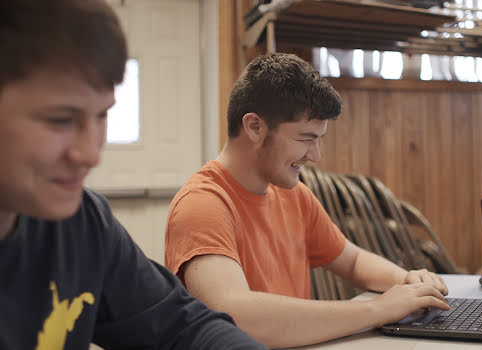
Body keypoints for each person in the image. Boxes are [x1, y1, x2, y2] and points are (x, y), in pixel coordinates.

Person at [0, 1, 269, 349]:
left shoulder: (83, 223)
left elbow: (182, 327)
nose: (90, 155)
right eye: (60, 120)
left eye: (101, 117)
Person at [165, 53, 450, 348]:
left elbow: (352, 261)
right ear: (254, 127)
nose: (315, 156)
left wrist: (408, 283)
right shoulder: (202, 204)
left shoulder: (294, 194)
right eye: (305, 139)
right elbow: (234, 315)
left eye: (318, 140)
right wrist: (378, 310)